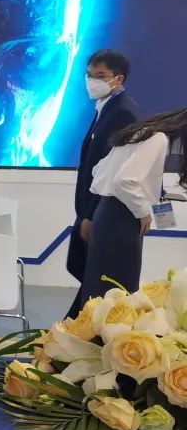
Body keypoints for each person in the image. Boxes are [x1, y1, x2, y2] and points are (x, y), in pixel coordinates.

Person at [80, 107, 187, 302]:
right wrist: (143, 211)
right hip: (122, 217)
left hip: (108, 212)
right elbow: (125, 180)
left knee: (102, 288)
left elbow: (99, 169)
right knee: (120, 289)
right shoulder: (158, 139)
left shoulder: (141, 133)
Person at [66, 49, 141, 317]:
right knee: (86, 276)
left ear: (118, 79)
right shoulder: (106, 108)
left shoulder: (122, 113)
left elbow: (111, 171)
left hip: (102, 212)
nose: (92, 81)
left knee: (98, 285)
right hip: (91, 209)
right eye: (89, 75)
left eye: (100, 76)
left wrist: (90, 214)